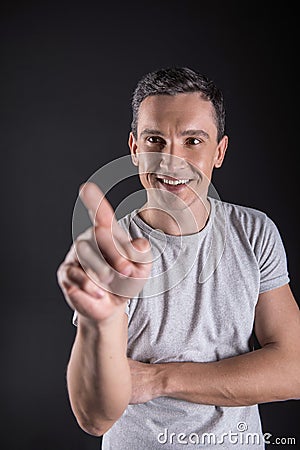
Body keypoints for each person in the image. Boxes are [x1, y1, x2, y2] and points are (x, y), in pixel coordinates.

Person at [57, 67, 300, 449]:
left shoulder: (255, 232)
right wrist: (99, 323)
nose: (172, 161)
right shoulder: (111, 252)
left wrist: (158, 380)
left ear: (218, 152)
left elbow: (293, 370)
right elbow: (95, 416)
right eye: (156, 140)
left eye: (192, 141)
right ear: (135, 150)